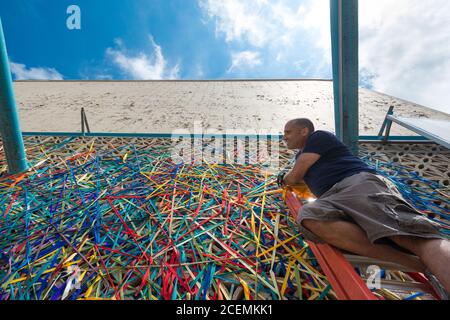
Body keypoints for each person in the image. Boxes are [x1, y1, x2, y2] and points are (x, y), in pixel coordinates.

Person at [278, 118, 450, 298]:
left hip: (356, 185)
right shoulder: (301, 156)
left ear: (304, 131)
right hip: (331, 198)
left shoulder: (318, 137)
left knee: (408, 234)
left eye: (288, 132)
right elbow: (300, 181)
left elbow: (295, 176)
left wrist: (284, 178)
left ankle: (428, 253)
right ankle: (420, 265)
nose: (285, 137)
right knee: (309, 217)